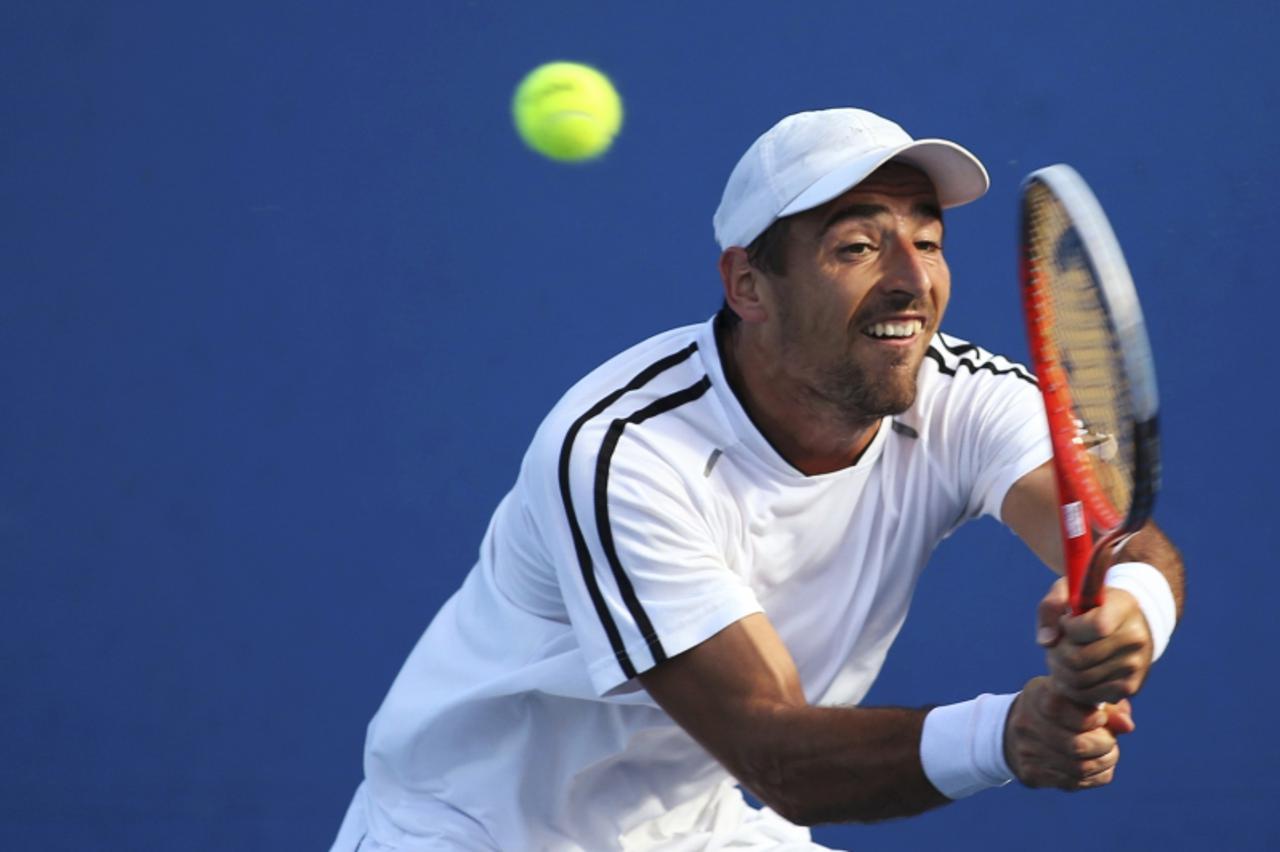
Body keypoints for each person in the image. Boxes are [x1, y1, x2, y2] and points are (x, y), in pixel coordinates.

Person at [331, 108, 1184, 851]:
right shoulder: (624, 450)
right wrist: (1010, 735)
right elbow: (777, 752)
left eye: (927, 240)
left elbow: (1126, 541)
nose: (910, 279)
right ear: (749, 285)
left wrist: (1128, 618)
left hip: (693, 826)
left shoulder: (964, 395)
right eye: (857, 245)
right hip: (473, 831)